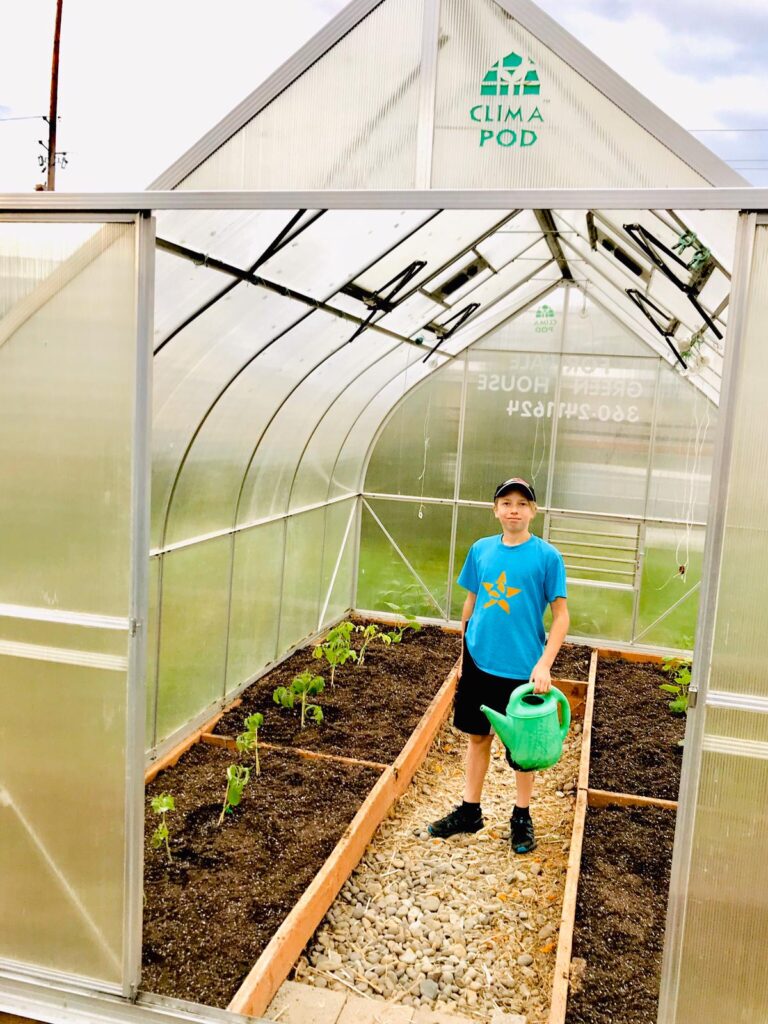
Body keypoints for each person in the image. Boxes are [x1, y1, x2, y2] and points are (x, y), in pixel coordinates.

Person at [428, 477, 569, 854]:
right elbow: (470, 605)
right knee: (477, 737)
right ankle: (470, 811)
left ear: (533, 512)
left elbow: (561, 617)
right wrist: (464, 655)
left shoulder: (546, 557)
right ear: (495, 510)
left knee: (523, 751)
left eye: (522, 504)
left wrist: (544, 664)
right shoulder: (480, 550)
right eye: (506, 503)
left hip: (522, 670)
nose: (514, 510)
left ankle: (521, 816)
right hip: (480, 662)